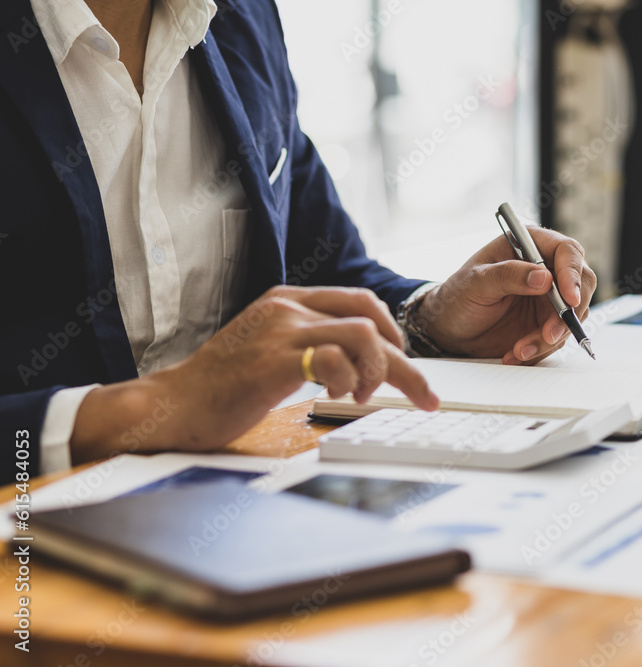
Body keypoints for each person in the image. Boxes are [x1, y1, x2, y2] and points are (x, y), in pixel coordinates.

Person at [0, 0, 596, 484]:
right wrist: (145, 411)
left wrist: (434, 317)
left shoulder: (243, 18)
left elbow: (325, 269)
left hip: (242, 500)